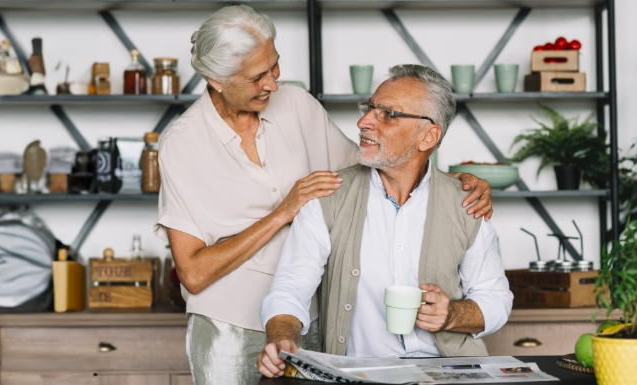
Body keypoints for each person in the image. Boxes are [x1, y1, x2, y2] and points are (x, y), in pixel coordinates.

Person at [154, 7, 494, 384]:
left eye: (275, 66)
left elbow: (379, 163)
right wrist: (282, 212)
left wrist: (450, 181)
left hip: (311, 317)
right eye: (256, 77)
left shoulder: (297, 105)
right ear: (215, 79)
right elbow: (194, 274)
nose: (273, 84)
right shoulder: (181, 144)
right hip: (229, 324)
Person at [256, 64, 513, 378]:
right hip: (358, 374)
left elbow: (496, 298)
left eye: (388, 114)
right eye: (369, 108)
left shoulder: (467, 202)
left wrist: (451, 315)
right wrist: (281, 338)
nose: (363, 122)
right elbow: (291, 287)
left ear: (428, 136)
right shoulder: (327, 196)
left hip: (449, 372)